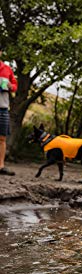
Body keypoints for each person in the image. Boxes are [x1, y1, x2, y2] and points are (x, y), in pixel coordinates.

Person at [0, 46, 18, 176]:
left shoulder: (7, 68)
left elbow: (15, 85)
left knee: (2, 138)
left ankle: (1, 166)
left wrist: (12, 86)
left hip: (3, 107)